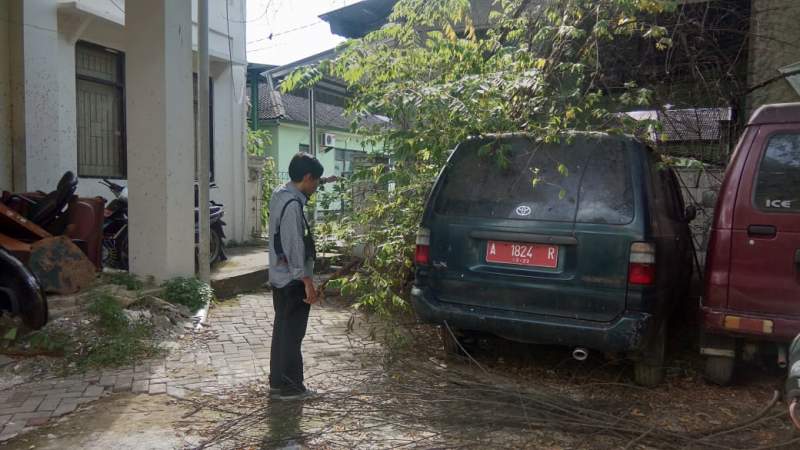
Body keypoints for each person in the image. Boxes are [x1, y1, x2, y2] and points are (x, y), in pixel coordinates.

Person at [268, 152, 323, 400]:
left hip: (279, 276)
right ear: (307, 178)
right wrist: (307, 281)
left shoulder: (281, 194)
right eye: (317, 181)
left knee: (282, 331)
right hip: (292, 280)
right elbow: (293, 246)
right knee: (293, 335)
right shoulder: (293, 206)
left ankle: (278, 382)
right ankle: (291, 388)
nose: (317, 187)